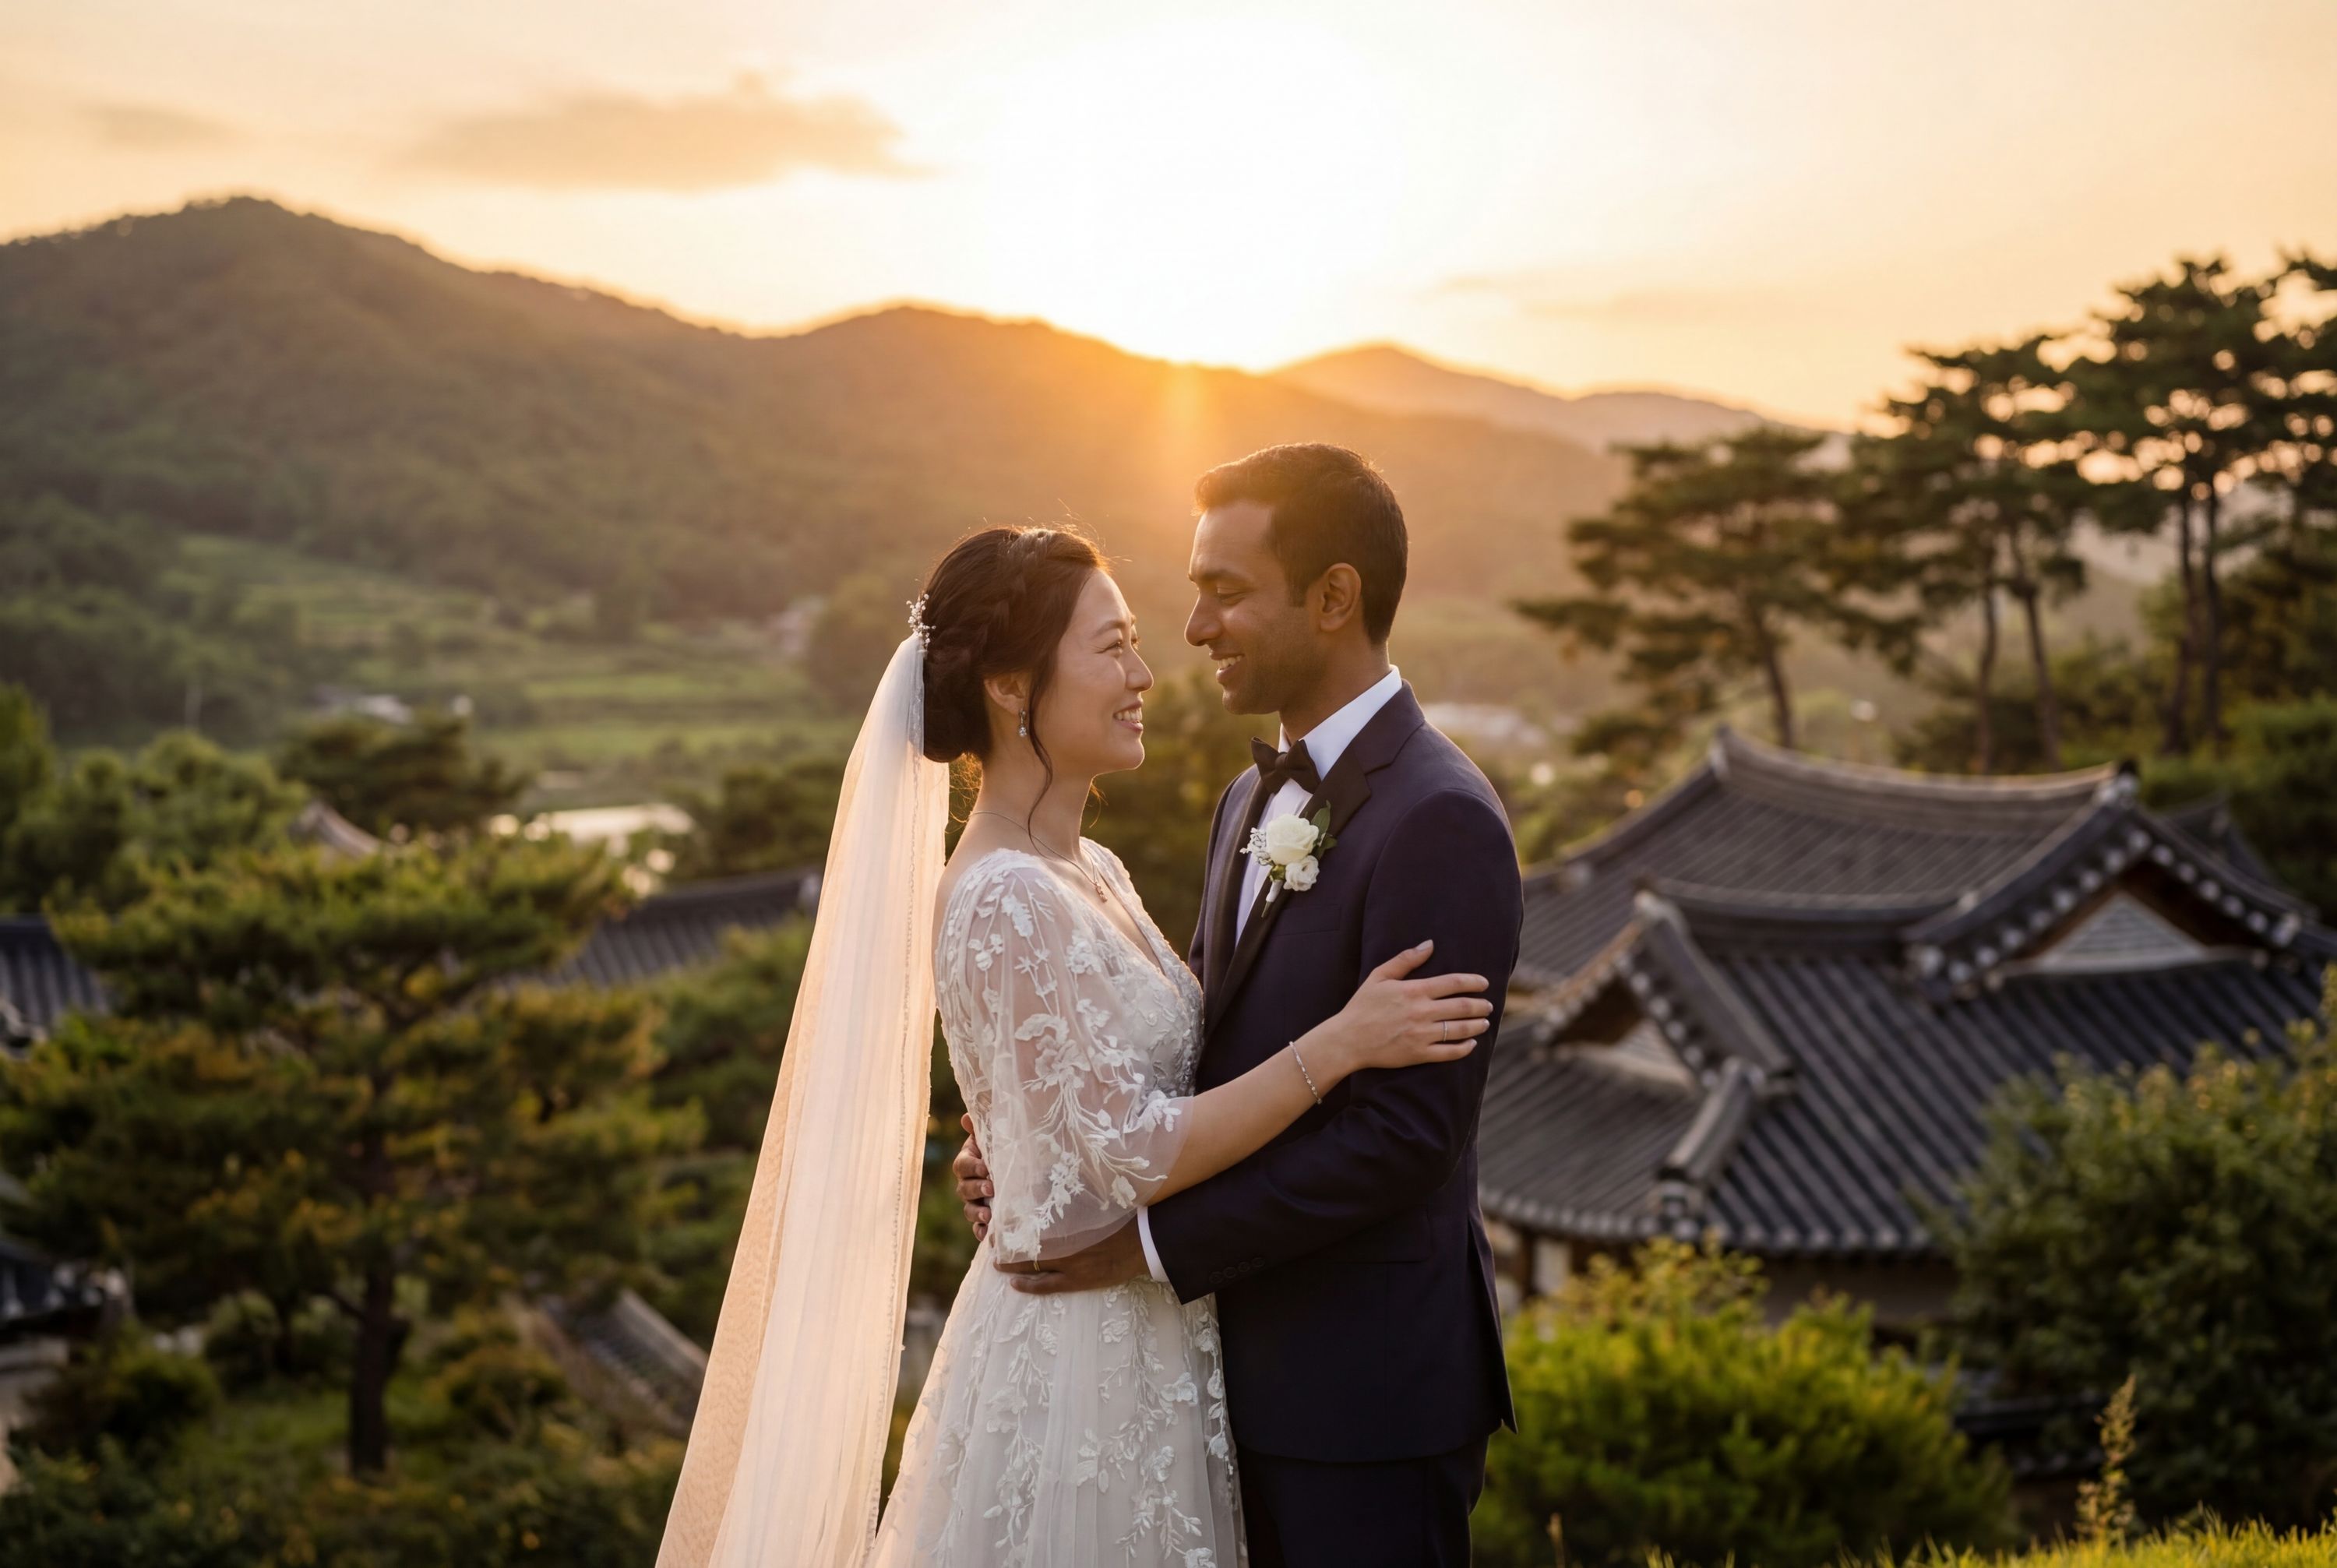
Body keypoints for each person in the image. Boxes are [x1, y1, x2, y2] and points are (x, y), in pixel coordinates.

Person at [655, 517, 1494, 1568]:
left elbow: (1131, 1080)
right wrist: (1343, 1041)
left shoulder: (1093, 865)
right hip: (1079, 1358)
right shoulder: (1004, 893)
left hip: (1168, 1341)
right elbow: (1134, 1145)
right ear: (1013, 686)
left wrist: (1025, 1144)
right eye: (1113, 647)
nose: (1148, 670)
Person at [956, 445, 1524, 1568]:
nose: (1196, 627)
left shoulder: (1440, 819)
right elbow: (1193, 1047)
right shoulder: (1243, 801)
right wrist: (1040, 1150)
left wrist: (1146, 1245)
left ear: (1333, 597)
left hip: (1361, 1403)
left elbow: (1404, 1140)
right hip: (1206, 1386)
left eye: (1225, 590)